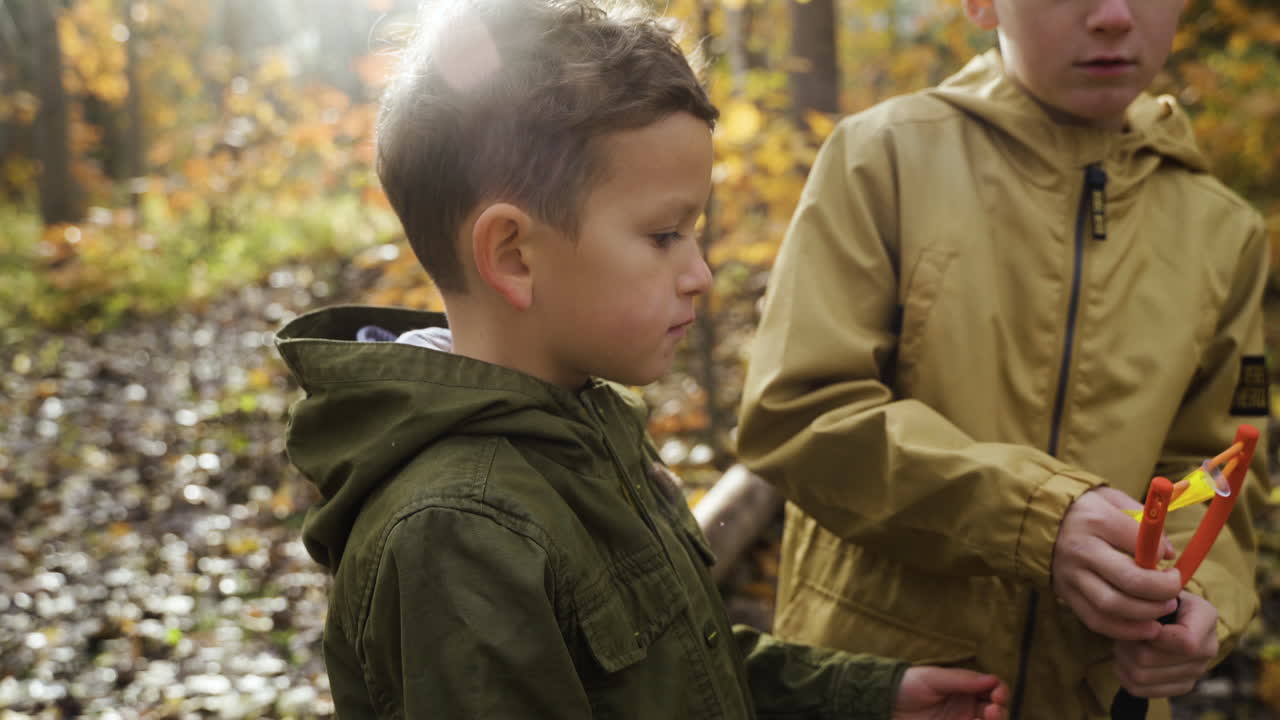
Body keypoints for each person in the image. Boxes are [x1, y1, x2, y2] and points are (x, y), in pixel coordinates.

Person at [274, 0, 1011, 717]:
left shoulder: (576, 430)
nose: (700, 274)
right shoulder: (460, 535)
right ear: (513, 255)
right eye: (665, 236)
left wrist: (866, 698)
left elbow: (680, 668)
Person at [735, 0, 1270, 718]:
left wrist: (1196, 601)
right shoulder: (883, 157)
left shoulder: (1222, 230)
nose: (1112, 15)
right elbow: (796, 414)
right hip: (884, 686)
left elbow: (1216, 472)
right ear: (982, 4)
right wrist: (1040, 518)